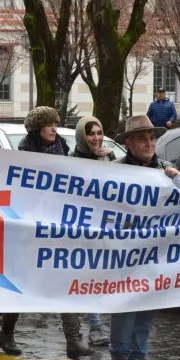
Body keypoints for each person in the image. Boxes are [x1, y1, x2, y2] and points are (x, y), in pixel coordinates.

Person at [0, 106, 94, 360]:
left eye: (55, 124)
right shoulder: (24, 158)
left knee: (63, 281)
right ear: (37, 129)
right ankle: (6, 334)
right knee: (21, 286)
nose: (54, 128)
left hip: (57, 230)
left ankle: (74, 340)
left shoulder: (63, 151)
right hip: (29, 232)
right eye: (48, 124)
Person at [109, 115, 180, 360]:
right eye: (143, 138)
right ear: (128, 143)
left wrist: (178, 179)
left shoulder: (166, 169)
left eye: (152, 138)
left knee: (148, 306)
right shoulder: (115, 172)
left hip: (155, 250)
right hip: (125, 250)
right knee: (126, 304)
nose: (150, 143)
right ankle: (118, 358)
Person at [69, 116, 114, 347]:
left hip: (106, 226)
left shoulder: (110, 156)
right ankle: (94, 326)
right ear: (81, 136)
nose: (96, 138)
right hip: (83, 228)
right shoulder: (72, 160)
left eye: (99, 133)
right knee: (88, 275)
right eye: (90, 133)